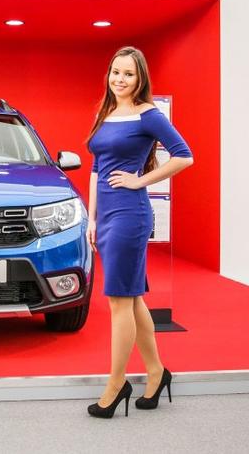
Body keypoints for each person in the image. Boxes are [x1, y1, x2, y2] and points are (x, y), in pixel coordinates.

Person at [85, 46, 193, 418]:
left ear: (140, 78)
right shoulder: (106, 112)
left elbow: (184, 155)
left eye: (128, 74)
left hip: (130, 215)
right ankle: (156, 372)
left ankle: (117, 384)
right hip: (107, 216)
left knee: (119, 301)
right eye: (115, 72)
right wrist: (92, 218)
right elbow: (97, 168)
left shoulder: (148, 114)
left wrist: (139, 181)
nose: (120, 79)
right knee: (132, 300)